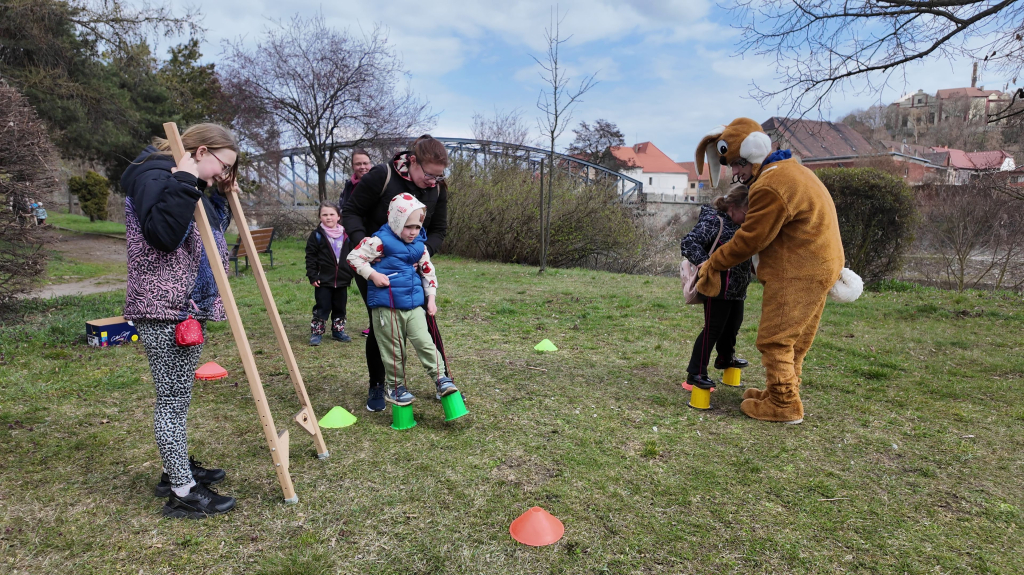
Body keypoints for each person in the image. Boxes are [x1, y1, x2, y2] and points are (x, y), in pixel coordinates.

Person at [121, 123, 240, 518]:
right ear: (202, 151)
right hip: (163, 306)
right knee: (171, 401)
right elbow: (163, 235)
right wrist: (188, 179)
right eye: (221, 166)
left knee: (178, 397)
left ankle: (176, 468)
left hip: (180, 304)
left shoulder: (174, 178)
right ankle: (182, 490)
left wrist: (213, 191)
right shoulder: (157, 176)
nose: (222, 174)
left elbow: (206, 228)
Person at [694, 117, 844, 423]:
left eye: (737, 164)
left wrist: (714, 263)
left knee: (774, 339)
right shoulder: (789, 170)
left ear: (753, 152)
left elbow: (750, 239)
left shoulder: (771, 185)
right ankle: (780, 392)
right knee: (795, 340)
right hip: (822, 265)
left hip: (799, 269)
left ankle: (784, 404)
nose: (734, 172)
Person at [342, 135, 452, 412]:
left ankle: (442, 379)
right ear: (412, 161)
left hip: (410, 264)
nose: (432, 182)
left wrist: (420, 254)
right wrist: (364, 245)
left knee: (425, 318)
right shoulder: (383, 175)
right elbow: (352, 211)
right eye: (429, 175)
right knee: (383, 322)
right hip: (373, 261)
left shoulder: (437, 189)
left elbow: (439, 229)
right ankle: (379, 384)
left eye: (438, 177)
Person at [680, 184, 753, 390]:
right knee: (713, 329)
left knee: (733, 325)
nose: (749, 217)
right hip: (717, 286)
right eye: (746, 212)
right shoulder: (715, 221)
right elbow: (689, 243)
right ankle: (696, 373)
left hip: (737, 288)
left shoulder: (743, 225)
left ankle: (725, 358)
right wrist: (705, 263)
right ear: (733, 206)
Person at [305, 203, 354, 345]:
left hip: (342, 279)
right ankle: (317, 333)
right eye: (324, 214)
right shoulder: (317, 236)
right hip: (323, 279)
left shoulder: (347, 235)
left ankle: (338, 331)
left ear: (338, 216)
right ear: (320, 217)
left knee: (340, 306)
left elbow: (353, 255)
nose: (328, 217)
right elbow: (310, 257)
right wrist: (313, 275)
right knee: (322, 306)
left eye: (332, 214)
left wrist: (350, 272)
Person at [339, 149, 374, 338]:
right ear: (353, 166)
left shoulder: (377, 183)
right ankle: (373, 322)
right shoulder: (348, 186)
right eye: (358, 164)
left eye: (365, 163)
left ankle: (380, 323)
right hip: (355, 242)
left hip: (374, 241)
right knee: (363, 282)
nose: (363, 167)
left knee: (376, 281)